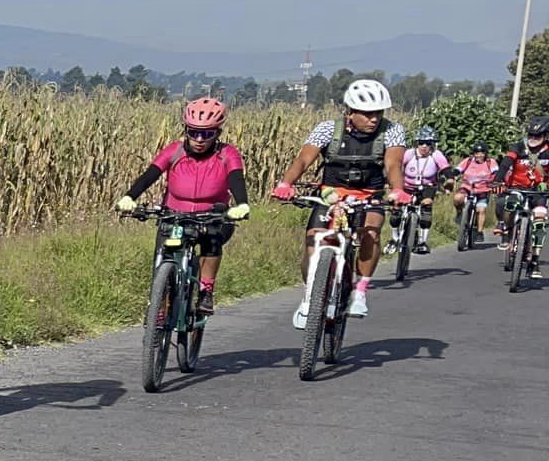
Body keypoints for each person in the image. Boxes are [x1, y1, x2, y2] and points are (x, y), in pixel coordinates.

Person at [270, 78, 408, 325]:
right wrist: (285, 184)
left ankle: (360, 290)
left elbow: (393, 164)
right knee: (313, 239)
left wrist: (398, 190)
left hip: (370, 194)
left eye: (378, 113)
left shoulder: (392, 131)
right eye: (366, 114)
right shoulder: (327, 129)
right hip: (330, 194)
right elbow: (303, 160)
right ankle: (311, 296)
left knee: (372, 233)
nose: (373, 119)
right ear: (350, 112)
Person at [113, 96, 251, 313]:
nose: (199, 139)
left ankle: (206, 291)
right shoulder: (174, 150)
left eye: (206, 134)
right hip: (174, 213)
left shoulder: (227, 154)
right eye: (193, 132)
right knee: (162, 252)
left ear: (217, 134)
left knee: (212, 240)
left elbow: (236, 178)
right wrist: (130, 197)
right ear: (186, 130)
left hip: (211, 215)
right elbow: (150, 175)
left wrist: (242, 204)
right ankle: (158, 303)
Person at [495, 118, 549, 251]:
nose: (533, 138)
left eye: (537, 136)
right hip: (517, 188)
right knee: (509, 206)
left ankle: (535, 259)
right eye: (530, 135)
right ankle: (507, 232)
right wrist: (498, 180)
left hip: (539, 191)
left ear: (545, 136)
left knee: (540, 219)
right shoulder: (518, 147)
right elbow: (506, 163)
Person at [396, 125, 448, 254]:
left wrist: (450, 179)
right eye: (421, 143)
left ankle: (422, 242)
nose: (424, 146)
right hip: (407, 186)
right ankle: (394, 238)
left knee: (426, 207)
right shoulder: (409, 153)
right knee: (396, 208)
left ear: (432, 145)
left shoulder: (436, 155)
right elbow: (396, 167)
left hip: (428, 187)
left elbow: (446, 169)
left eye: (428, 143)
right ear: (416, 143)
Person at [455, 143, 499, 239]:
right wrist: (454, 175)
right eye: (476, 153)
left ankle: (479, 232)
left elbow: (496, 172)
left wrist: (495, 181)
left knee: (481, 210)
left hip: (483, 189)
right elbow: (458, 170)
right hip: (467, 187)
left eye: (482, 153)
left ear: (485, 153)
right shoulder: (468, 161)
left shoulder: (490, 162)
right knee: (458, 198)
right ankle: (459, 213)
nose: (479, 155)